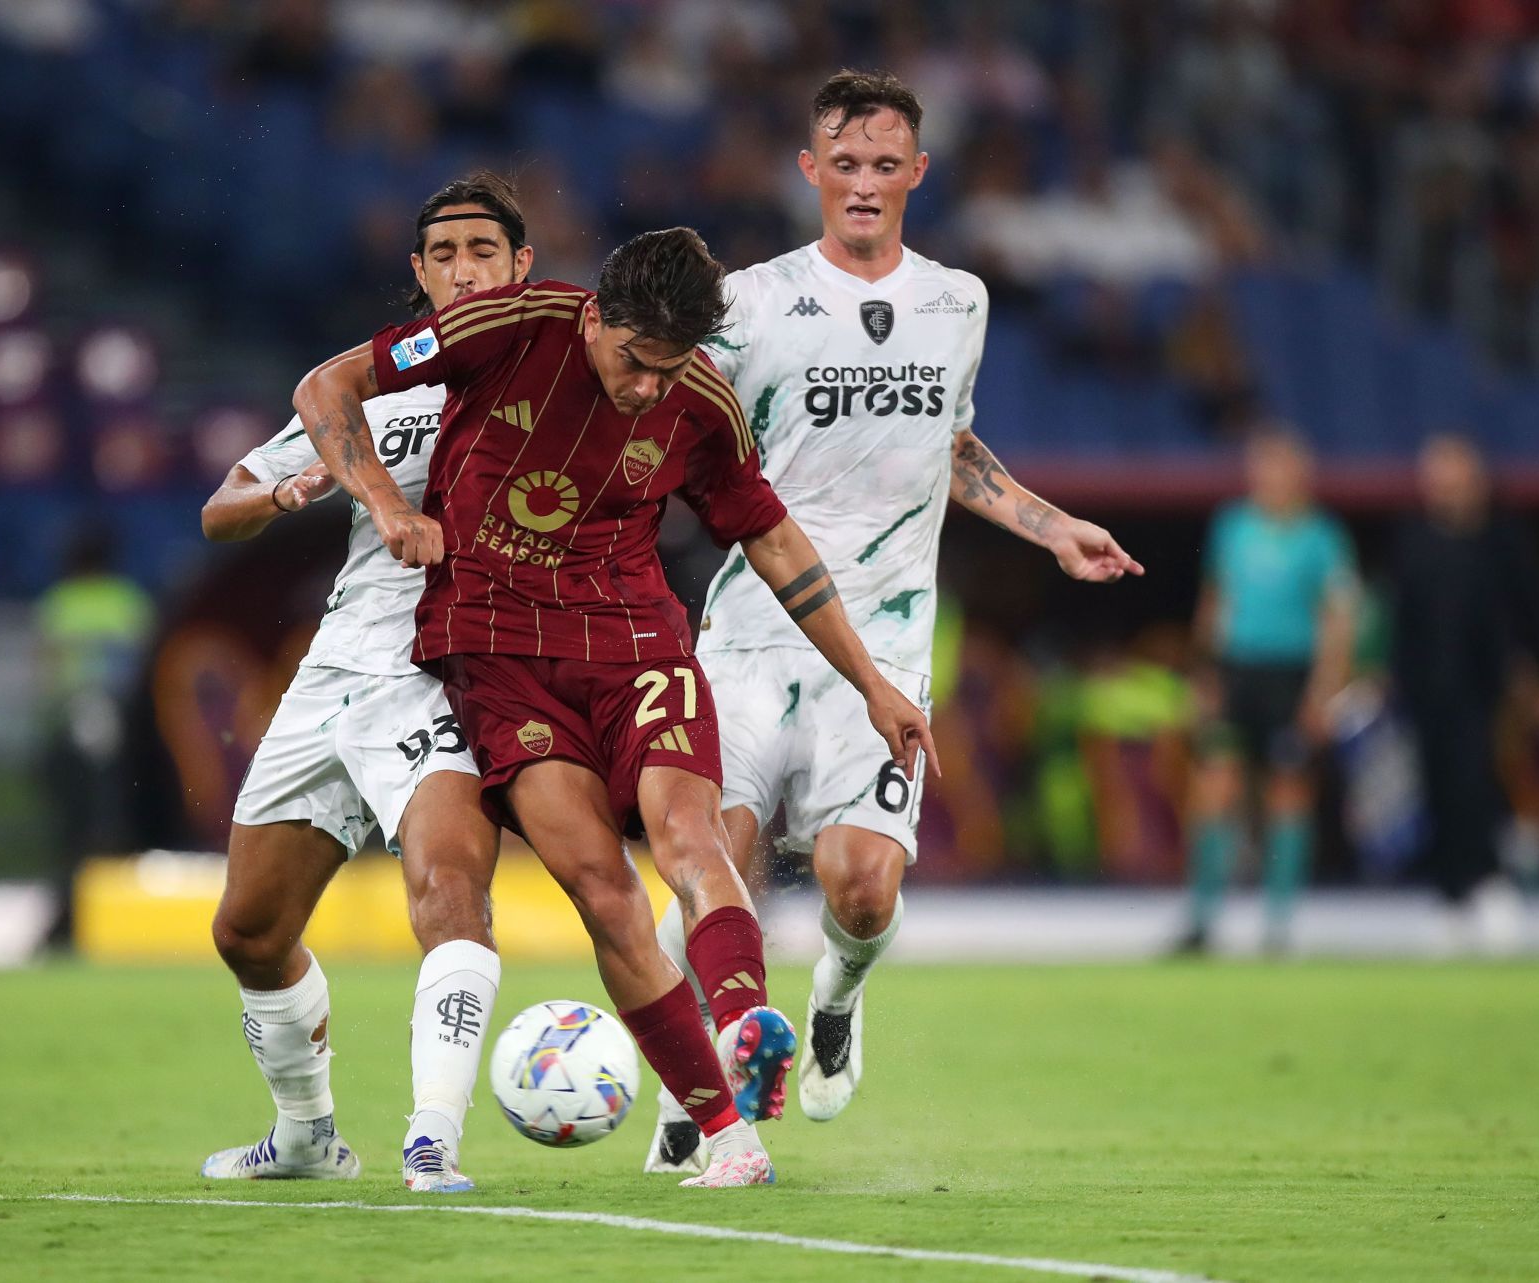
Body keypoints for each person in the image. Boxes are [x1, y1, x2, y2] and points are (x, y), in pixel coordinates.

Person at [293, 227, 936, 1188]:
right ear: (594, 315)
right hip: (499, 656)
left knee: (693, 839)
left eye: (666, 369)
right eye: (633, 360)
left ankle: (745, 1020)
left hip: (635, 641)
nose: (646, 387)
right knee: (605, 891)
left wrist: (873, 684)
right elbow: (324, 389)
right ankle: (731, 1137)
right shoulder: (503, 323)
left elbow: (774, 540)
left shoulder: (701, 400)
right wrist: (389, 505)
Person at [643, 69, 1144, 1169]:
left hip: (886, 645)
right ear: (809, 170)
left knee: (860, 887)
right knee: (712, 855)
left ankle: (835, 996)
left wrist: (1051, 525)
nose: (864, 185)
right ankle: (708, 1086)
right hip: (753, 631)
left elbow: (950, 445)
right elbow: (674, 423)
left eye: (886, 166)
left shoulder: (959, 301)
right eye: (846, 164)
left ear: (917, 173)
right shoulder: (749, 303)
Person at [195, 173, 532, 1194]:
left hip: (445, 674)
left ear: (522, 266)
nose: (465, 270)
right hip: (336, 670)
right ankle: (305, 1131)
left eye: (485, 251)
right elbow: (223, 506)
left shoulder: (555, 378)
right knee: (248, 931)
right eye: (444, 255)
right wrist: (280, 492)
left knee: (449, 893)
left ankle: (433, 1133)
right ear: (420, 273)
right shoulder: (382, 383)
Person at [1180, 427, 1356, 955]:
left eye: (1278, 469)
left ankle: (1277, 928)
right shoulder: (1232, 527)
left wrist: (1323, 693)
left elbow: (1338, 620)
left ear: (1300, 476)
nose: (1268, 480)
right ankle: (1202, 921)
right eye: (1261, 469)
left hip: (1291, 677)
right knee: (1214, 791)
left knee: (1287, 796)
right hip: (1238, 674)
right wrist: (1205, 675)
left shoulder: (1322, 538)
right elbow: (1214, 603)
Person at [1391, 433, 1539, 947]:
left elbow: (1533, 613)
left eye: (1453, 474)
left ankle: (1490, 881)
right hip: (1424, 688)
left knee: (1477, 783)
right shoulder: (1413, 537)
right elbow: (1401, 617)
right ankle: (1451, 893)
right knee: (1436, 788)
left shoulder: (1503, 539)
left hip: (1486, 687)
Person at [34, 522, 155, 951]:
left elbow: (47, 673)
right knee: (113, 827)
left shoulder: (59, 604)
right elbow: (144, 669)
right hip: (117, 731)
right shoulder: (128, 603)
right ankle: (113, 918)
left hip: (70, 727)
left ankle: (63, 920)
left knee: (70, 834)